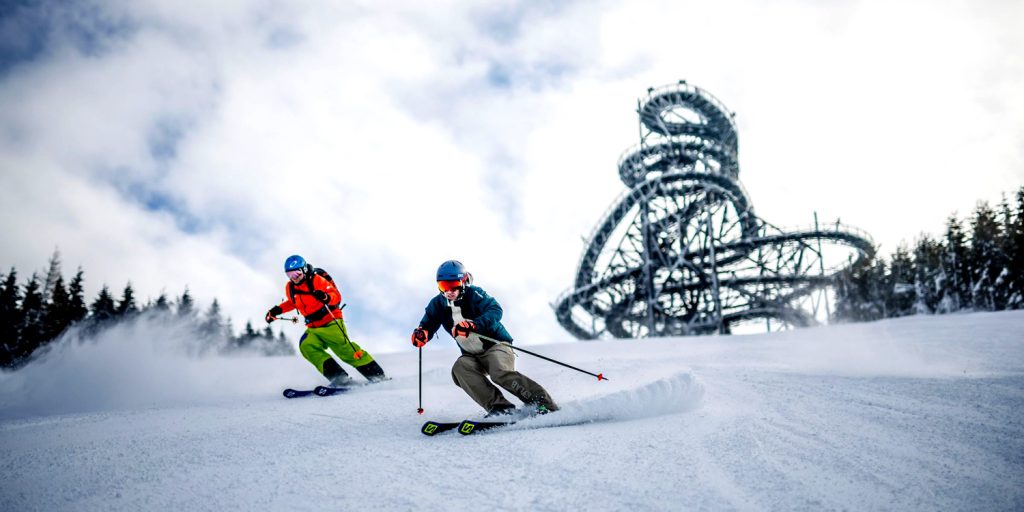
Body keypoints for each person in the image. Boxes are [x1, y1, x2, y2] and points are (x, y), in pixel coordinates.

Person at [411, 260, 558, 417]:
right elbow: (427, 324)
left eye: (454, 284)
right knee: (460, 369)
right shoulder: (437, 304)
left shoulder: (474, 294)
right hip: (471, 355)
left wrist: (473, 325)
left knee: (499, 373)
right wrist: (422, 334)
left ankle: (543, 403)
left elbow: (495, 310)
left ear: (463, 280)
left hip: (496, 345)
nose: (449, 291)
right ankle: (500, 408)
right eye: (443, 286)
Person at [266, 255, 386, 386]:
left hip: (330, 321)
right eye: (289, 275)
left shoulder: (317, 280)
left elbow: (336, 295)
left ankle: (377, 375)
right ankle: (339, 378)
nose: (294, 278)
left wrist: (325, 297)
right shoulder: (290, 288)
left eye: (296, 273)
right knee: (306, 346)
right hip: (313, 327)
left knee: (345, 351)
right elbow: (293, 302)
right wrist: (276, 310)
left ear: (304, 269)